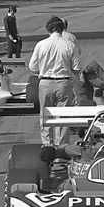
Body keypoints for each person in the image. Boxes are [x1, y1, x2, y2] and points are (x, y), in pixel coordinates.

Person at [28, 16, 80, 146]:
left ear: (48, 29)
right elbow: (76, 68)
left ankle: (47, 146)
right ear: (62, 29)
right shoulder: (70, 45)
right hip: (64, 83)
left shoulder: (41, 44)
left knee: (45, 116)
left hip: (45, 82)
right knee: (63, 118)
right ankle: (61, 148)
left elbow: (32, 67)